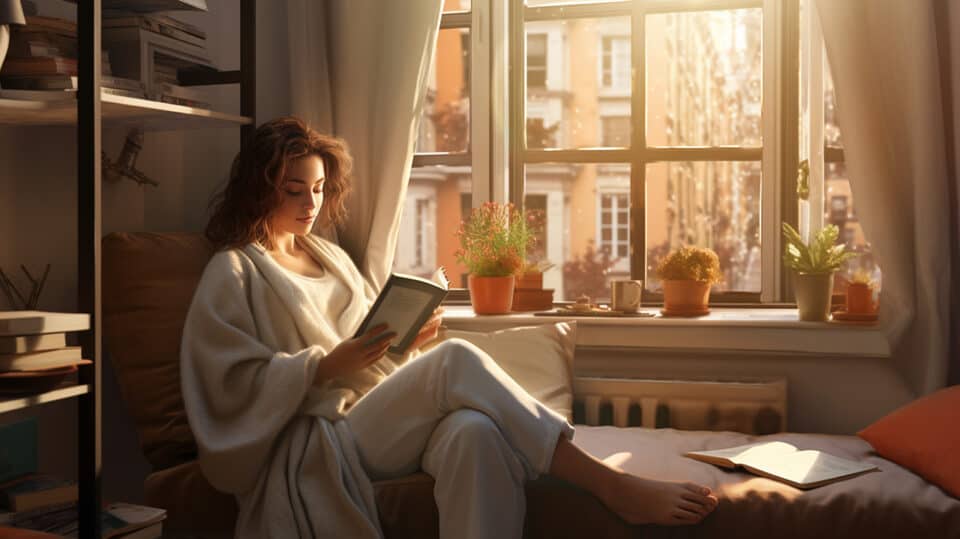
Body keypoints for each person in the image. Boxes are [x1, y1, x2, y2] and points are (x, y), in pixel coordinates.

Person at [180, 117, 718, 539]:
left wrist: (402, 344)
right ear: (261, 188)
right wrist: (321, 369)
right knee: (456, 359)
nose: (310, 204)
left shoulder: (329, 256)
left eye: (319, 189)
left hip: (369, 417)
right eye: (294, 189)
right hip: (324, 437)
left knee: (474, 434)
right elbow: (224, 389)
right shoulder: (234, 271)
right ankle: (610, 485)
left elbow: (370, 357)